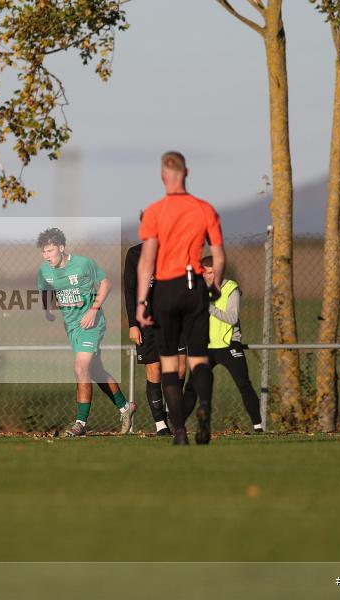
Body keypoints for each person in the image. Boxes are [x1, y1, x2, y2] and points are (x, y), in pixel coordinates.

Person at [136, 151, 225, 445]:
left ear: (163, 176)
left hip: (165, 289)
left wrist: (141, 303)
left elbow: (146, 261)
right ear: (186, 172)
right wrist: (216, 286)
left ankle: (179, 432)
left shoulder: (154, 211)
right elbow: (220, 257)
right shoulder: (204, 209)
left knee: (169, 364)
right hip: (194, 284)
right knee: (199, 358)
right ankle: (205, 409)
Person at [37, 228, 136, 436]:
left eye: (50, 251)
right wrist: (47, 311)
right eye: (43, 252)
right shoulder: (45, 271)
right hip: (72, 327)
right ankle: (125, 408)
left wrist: (93, 310)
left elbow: (106, 283)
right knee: (96, 371)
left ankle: (80, 424)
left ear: (61, 248)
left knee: (80, 368)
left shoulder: (83, 264)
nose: (47, 256)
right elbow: (45, 290)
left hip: (92, 324)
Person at [124, 223, 187, 436]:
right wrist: (133, 324)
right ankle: (160, 424)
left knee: (179, 368)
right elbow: (130, 291)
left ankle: (171, 409)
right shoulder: (134, 254)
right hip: (147, 322)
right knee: (155, 370)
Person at [199, 256, 264, 431]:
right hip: (206, 346)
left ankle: (258, 426)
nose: (207, 276)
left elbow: (232, 317)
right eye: (204, 273)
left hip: (229, 345)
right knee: (194, 387)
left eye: (210, 272)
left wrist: (209, 307)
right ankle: (181, 427)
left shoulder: (231, 289)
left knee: (244, 384)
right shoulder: (198, 289)